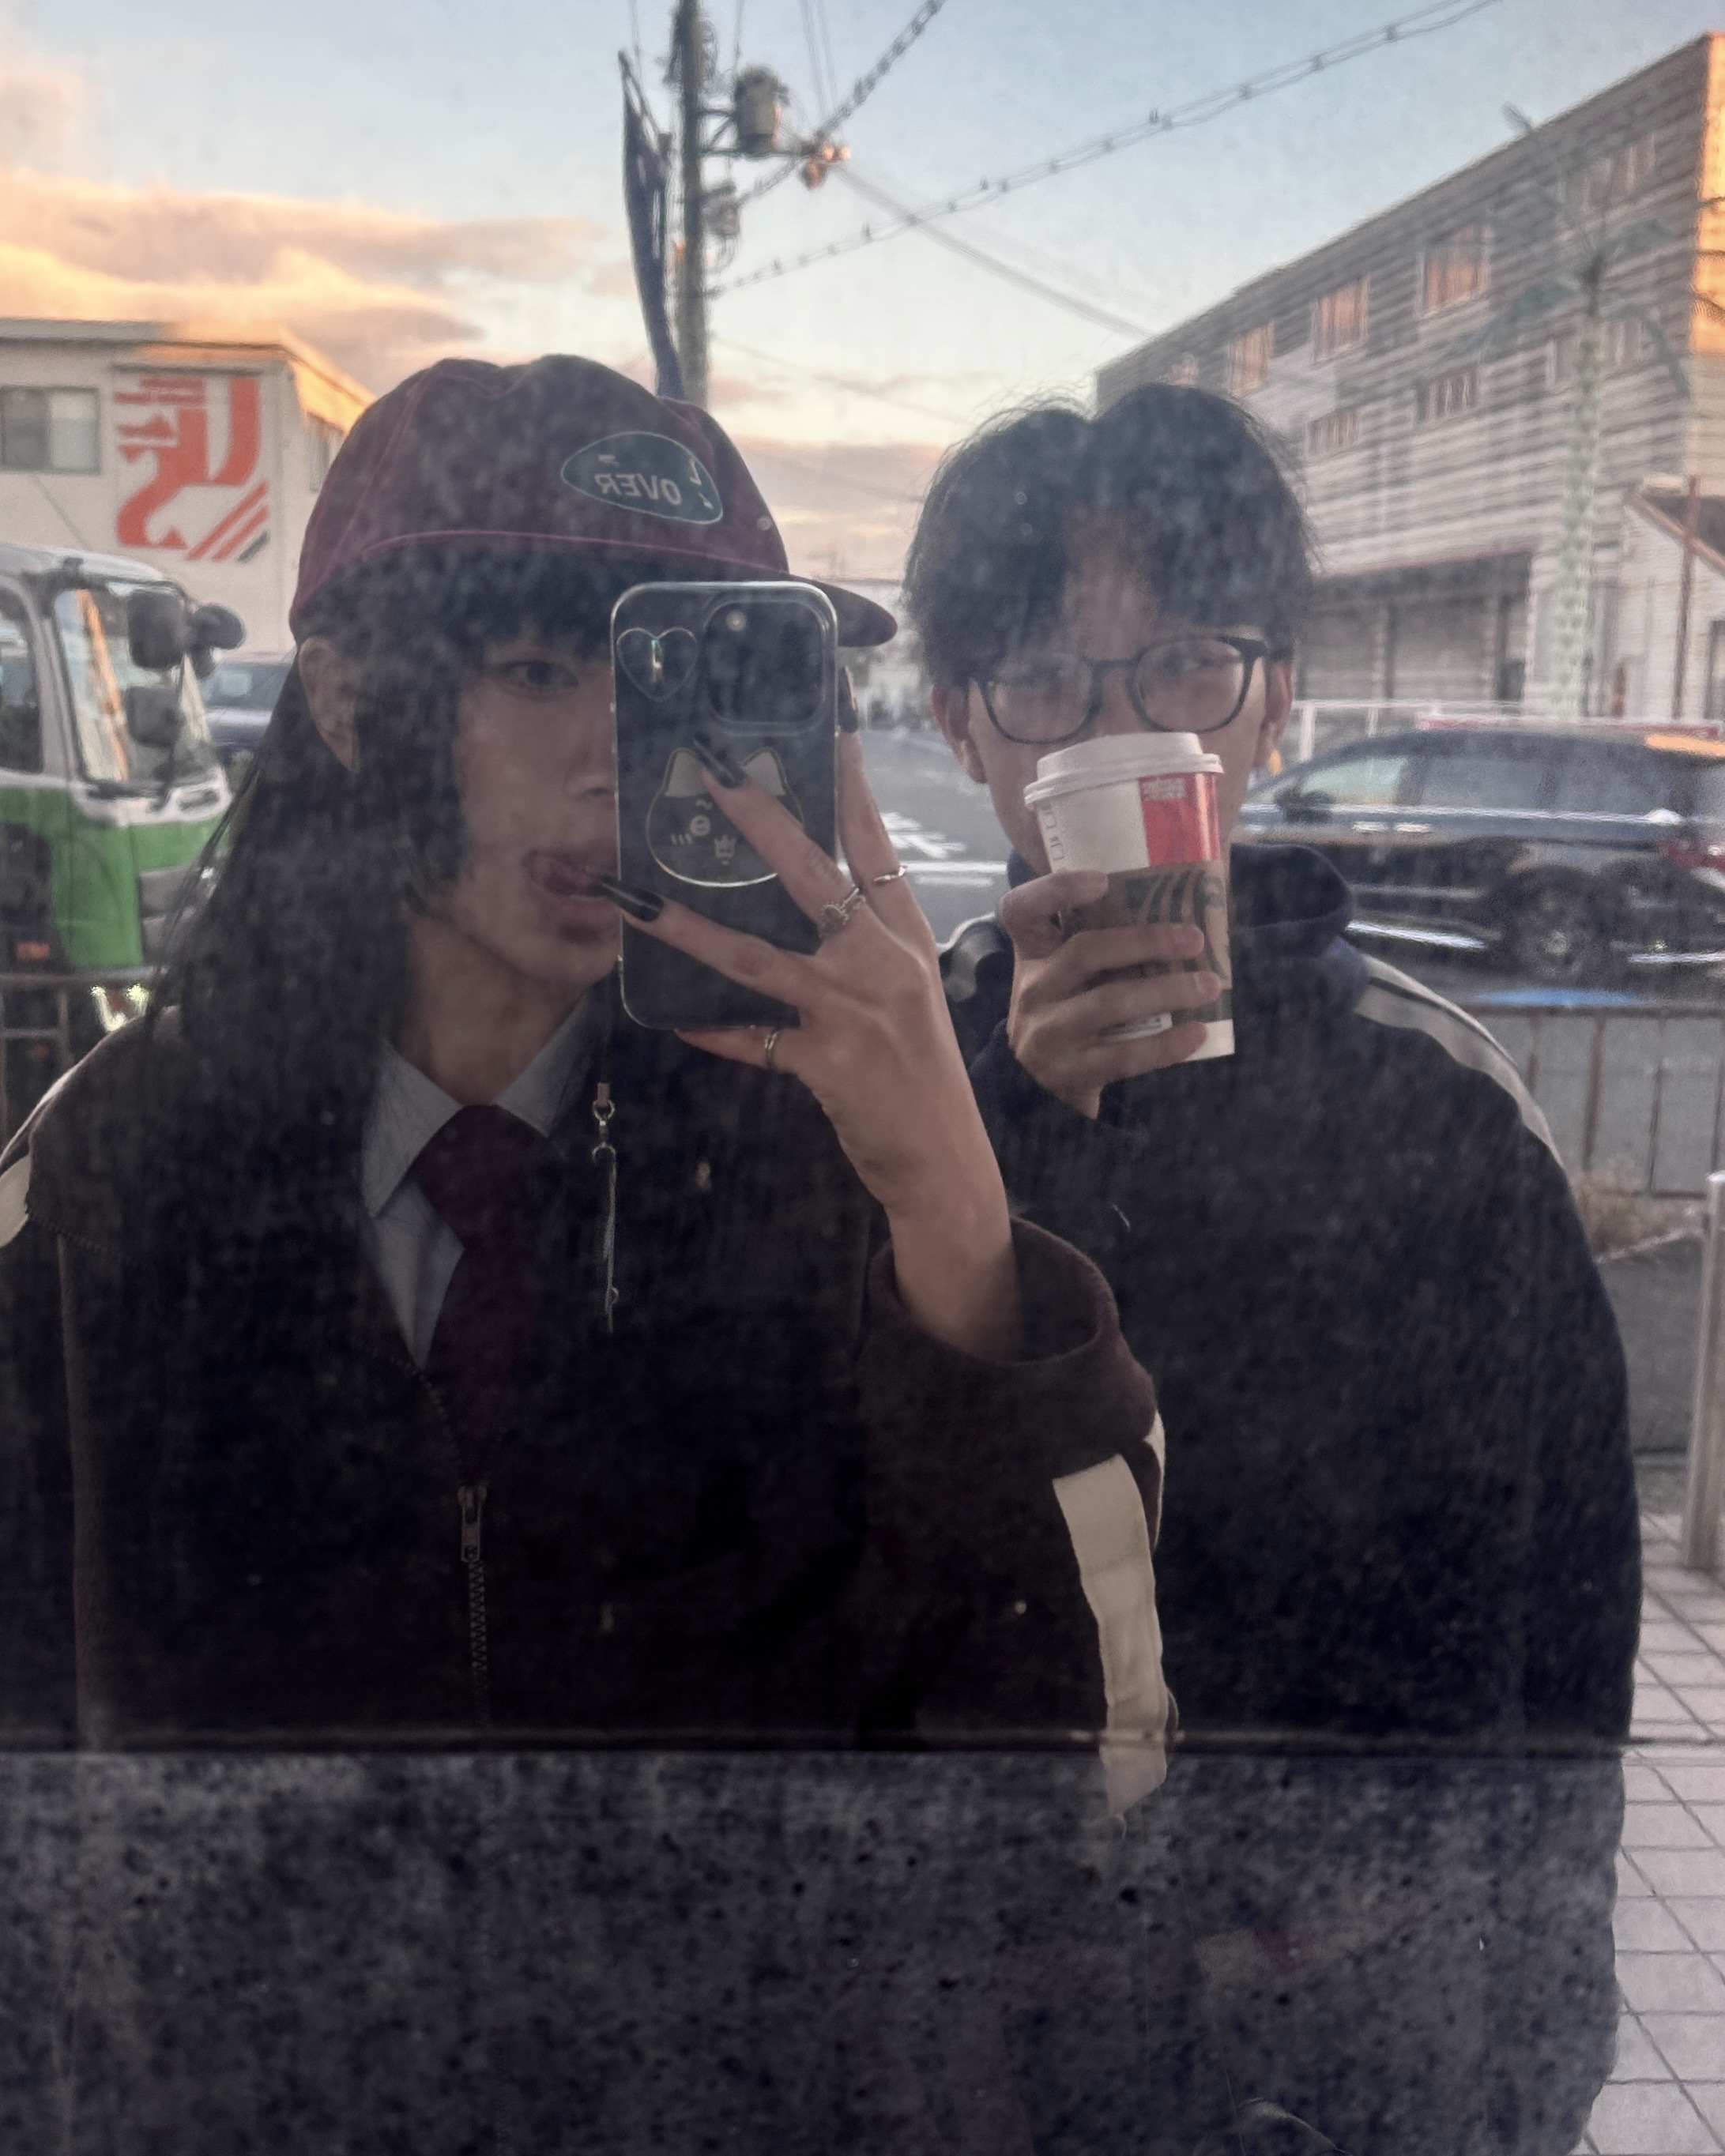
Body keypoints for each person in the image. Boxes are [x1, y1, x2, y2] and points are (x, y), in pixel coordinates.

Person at [0, 356, 1170, 1779]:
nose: (627, 764)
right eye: (540, 669)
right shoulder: (109, 1169)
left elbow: (1090, 1768)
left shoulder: (836, 1166)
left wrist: (957, 1214)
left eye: (686, 683)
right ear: (345, 700)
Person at [906, 381, 1639, 2156]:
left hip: (1351, 2034)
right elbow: (830, 1538)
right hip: (981, 2019)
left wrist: (1523, 2037)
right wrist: (1005, 1124)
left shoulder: (1436, 1103)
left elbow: (1559, 1616)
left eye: (1185, 665)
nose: (1120, 727)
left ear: (1273, 698)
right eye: (1046, 680)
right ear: (959, 725)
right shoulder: (887, 1097)